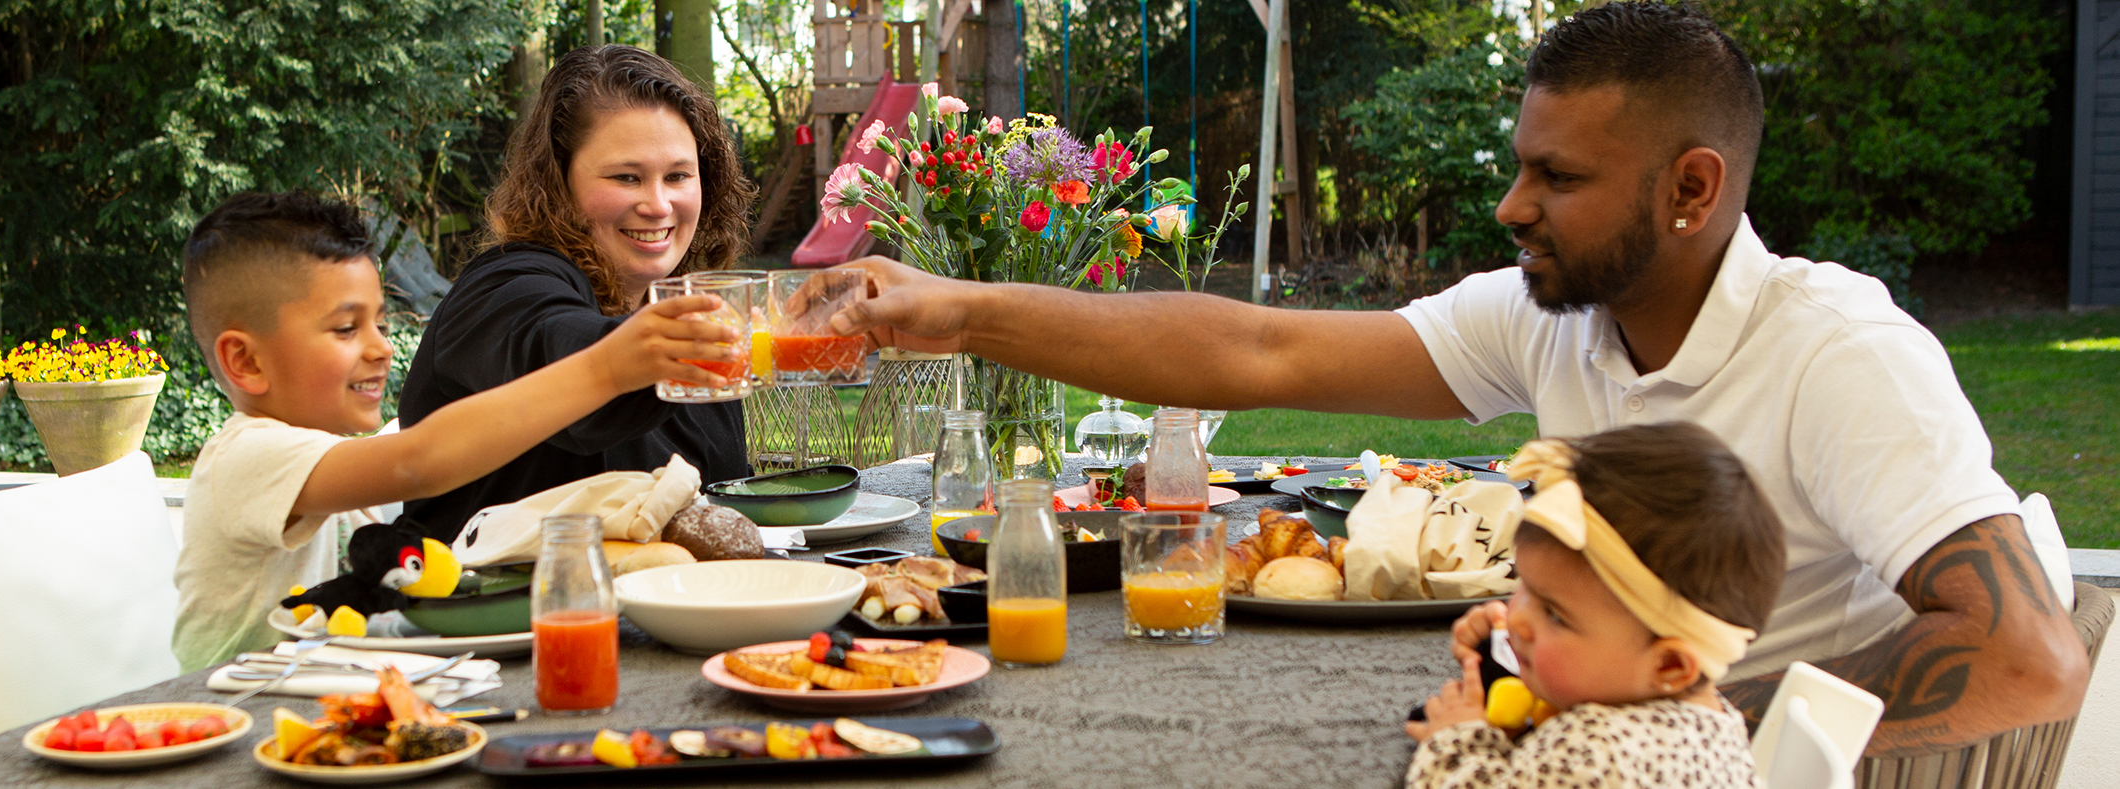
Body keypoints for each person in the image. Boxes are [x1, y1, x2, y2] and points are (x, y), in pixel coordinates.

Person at [827, 1, 2086, 757]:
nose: (1511, 204)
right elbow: (1257, 351)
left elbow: (2026, 654)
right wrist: (957, 311)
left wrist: (1648, 731)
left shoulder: (1838, 355)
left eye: (1560, 179)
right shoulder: (1563, 320)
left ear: (1692, 191)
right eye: (1521, 164)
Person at [169, 191, 737, 671]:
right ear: (245, 362)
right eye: (346, 328)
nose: (381, 347)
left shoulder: (327, 462)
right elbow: (422, 459)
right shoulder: (246, 455)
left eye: (381, 323)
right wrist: (605, 368)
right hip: (232, 716)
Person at [396, 45, 758, 540]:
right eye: (626, 177)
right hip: (494, 611)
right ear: (558, 182)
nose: (658, 204)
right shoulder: (503, 291)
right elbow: (562, 354)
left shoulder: (693, 323)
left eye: (677, 176)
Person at [1405, 423, 1784, 787]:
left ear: (1669, 664)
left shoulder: (1601, 753)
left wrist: (1455, 742)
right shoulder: (1698, 713)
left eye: (1554, 614)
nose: (1516, 617)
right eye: (1525, 588)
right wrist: (1500, 656)